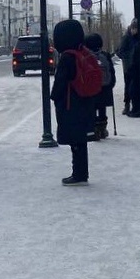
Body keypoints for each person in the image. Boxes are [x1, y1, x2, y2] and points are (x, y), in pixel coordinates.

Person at [50, 19, 95, 185]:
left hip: (70, 104)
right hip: (84, 101)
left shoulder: (67, 57)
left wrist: (54, 97)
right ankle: (82, 173)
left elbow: (60, 83)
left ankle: (79, 174)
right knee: (81, 141)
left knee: (75, 141)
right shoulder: (83, 52)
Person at [84, 32, 116, 141]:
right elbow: (111, 71)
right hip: (105, 88)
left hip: (92, 88)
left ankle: (93, 129)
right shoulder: (105, 55)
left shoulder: (86, 56)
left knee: (91, 108)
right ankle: (102, 128)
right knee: (102, 108)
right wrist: (110, 85)